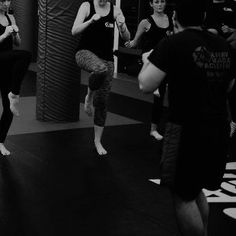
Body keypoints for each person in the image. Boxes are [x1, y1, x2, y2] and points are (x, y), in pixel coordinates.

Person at [138, 0, 235, 235]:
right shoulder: (221, 44)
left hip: (187, 129)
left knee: (182, 194)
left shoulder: (173, 43)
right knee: (196, 188)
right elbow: (230, 85)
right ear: (202, 17)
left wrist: (145, 61)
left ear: (175, 17)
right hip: (218, 128)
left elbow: (145, 85)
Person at [72, 0, 130, 156]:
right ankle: (89, 96)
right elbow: (74, 30)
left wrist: (122, 25)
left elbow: (126, 37)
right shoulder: (87, 6)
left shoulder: (116, 10)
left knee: (102, 101)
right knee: (100, 69)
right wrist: (90, 21)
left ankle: (97, 141)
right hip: (84, 53)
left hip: (107, 59)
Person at [125, 0, 172, 141]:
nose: (160, 4)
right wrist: (130, 43)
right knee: (158, 96)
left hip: (167, 61)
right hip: (151, 60)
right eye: (156, 2)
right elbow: (135, 41)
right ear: (151, 4)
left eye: (162, 1)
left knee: (170, 95)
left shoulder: (171, 19)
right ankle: (153, 129)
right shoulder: (146, 22)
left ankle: (172, 127)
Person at [0, 0, 31, 156]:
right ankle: (15, 93)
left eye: (8, 0)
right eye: (2, 1)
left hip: (6, 64)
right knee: (26, 55)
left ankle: (0, 142)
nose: (6, 3)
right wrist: (4, 34)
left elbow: (17, 44)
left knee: (8, 108)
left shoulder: (11, 18)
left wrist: (16, 33)